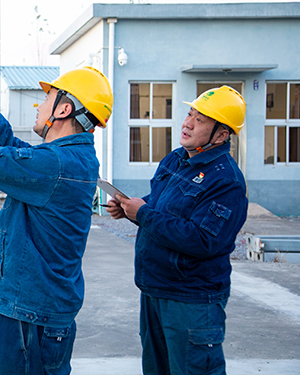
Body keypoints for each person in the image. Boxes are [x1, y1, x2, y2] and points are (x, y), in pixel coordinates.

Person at [0, 62, 113, 374]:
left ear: (64, 109)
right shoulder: (70, 158)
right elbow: (11, 148)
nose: (40, 105)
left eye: (48, 97)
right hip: (39, 310)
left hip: (31, 315)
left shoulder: (56, 164)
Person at [106, 86, 248, 375]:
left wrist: (143, 214)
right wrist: (132, 208)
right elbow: (161, 204)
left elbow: (203, 239)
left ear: (221, 135)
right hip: (155, 289)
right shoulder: (176, 159)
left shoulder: (227, 182)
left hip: (191, 300)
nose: (187, 123)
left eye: (201, 120)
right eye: (189, 113)